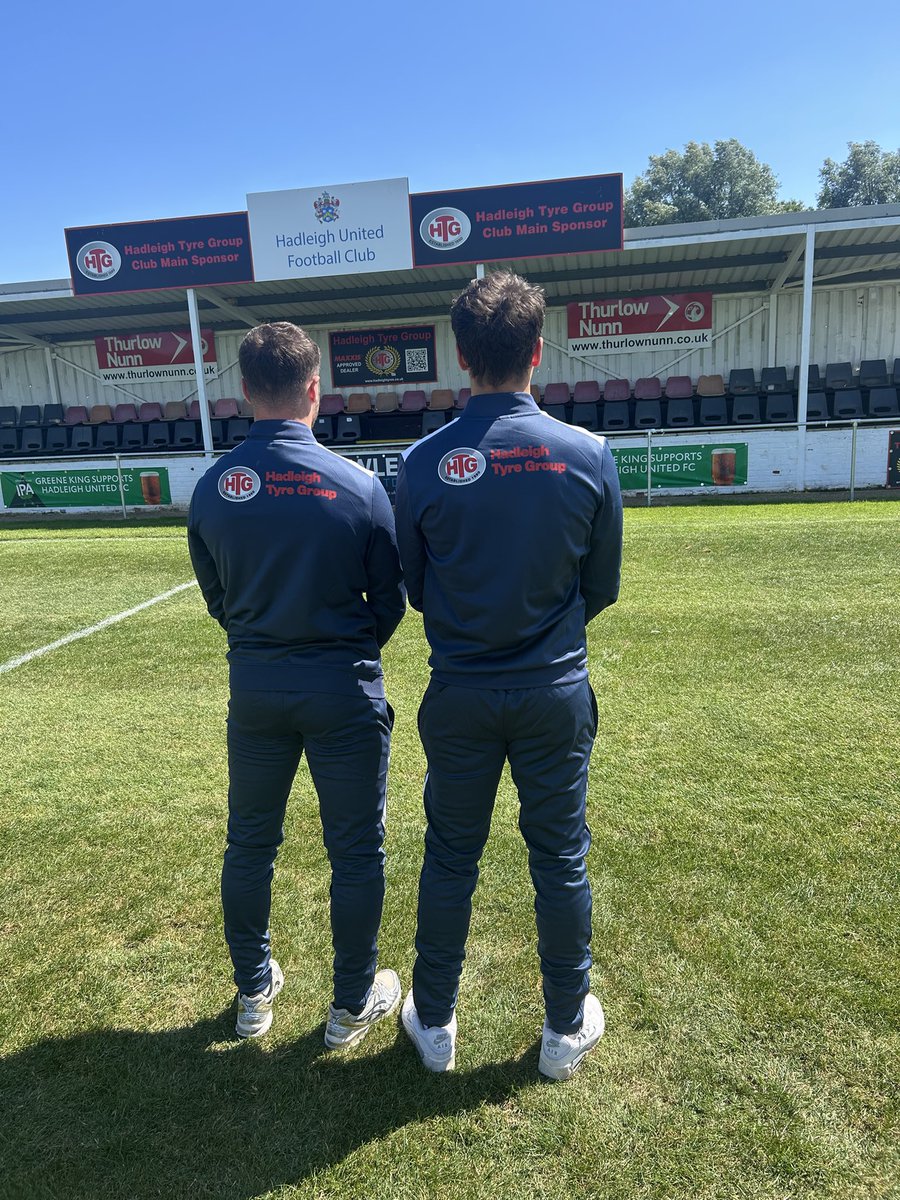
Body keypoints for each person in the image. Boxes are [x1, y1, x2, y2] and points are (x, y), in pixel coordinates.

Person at [394, 272, 623, 1080]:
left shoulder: (421, 463)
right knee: (560, 857)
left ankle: (435, 1020)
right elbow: (601, 587)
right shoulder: (589, 454)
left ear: (461, 355)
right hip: (553, 692)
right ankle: (564, 1028)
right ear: (537, 350)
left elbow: (417, 587)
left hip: (460, 690)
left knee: (450, 857)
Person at [188, 321, 406, 1044]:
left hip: (256, 688)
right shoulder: (360, 486)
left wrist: (261, 643)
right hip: (343, 689)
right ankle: (350, 1005)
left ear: (244, 390)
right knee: (356, 852)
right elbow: (391, 602)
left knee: (250, 844)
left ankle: (254, 994)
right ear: (316, 389)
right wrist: (344, 648)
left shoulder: (213, 488)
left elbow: (217, 596)